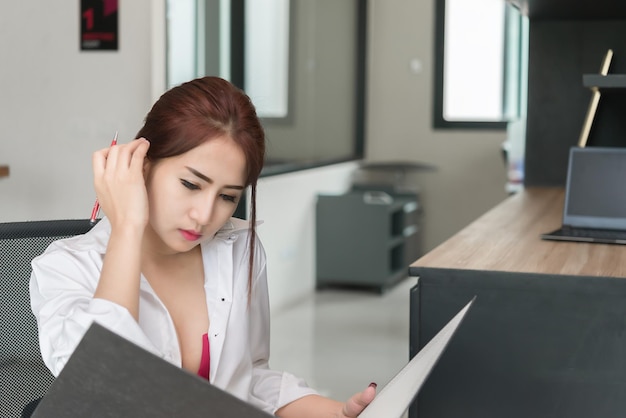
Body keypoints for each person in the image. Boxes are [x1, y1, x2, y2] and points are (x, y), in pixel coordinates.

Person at [29, 76, 376, 417]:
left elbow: (249, 379)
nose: (205, 215)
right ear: (142, 166)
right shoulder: (65, 267)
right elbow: (101, 385)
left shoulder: (238, 251)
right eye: (190, 184)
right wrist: (126, 227)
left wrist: (337, 413)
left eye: (227, 196)